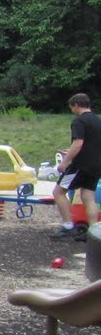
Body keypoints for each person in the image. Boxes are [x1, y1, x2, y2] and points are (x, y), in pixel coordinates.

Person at [50, 92, 101, 239]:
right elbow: (92, 144)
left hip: (78, 166)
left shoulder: (79, 121)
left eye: (71, 107)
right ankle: (93, 233)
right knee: (88, 196)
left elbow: (78, 143)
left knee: (58, 192)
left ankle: (67, 225)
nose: (72, 110)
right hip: (95, 166)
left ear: (76, 105)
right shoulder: (98, 121)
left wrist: (65, 162)